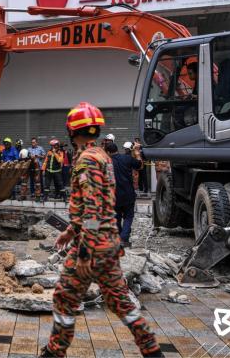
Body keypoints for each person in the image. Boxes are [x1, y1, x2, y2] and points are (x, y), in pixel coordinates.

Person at [40, 102, 161, 358]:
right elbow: (97, 204)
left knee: (65, 297)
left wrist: (84, 251)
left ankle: (54, 352)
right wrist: (71, 230)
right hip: (108, 243)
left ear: (72, 130)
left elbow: (93, 210)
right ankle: (152, 351)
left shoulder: (87, 160)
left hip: (93, 245)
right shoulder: (101, 156)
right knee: (120, 301)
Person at [106, 142, 143, 247]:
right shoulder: (127, 158)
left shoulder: (106, 163)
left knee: (116, 217)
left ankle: (120, 238)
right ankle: (124, 238)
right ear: (117, 149)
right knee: (128, 217)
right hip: (128, 194)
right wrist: (137, 153)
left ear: (108, 152)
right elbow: (140, 165)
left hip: (114, 195)